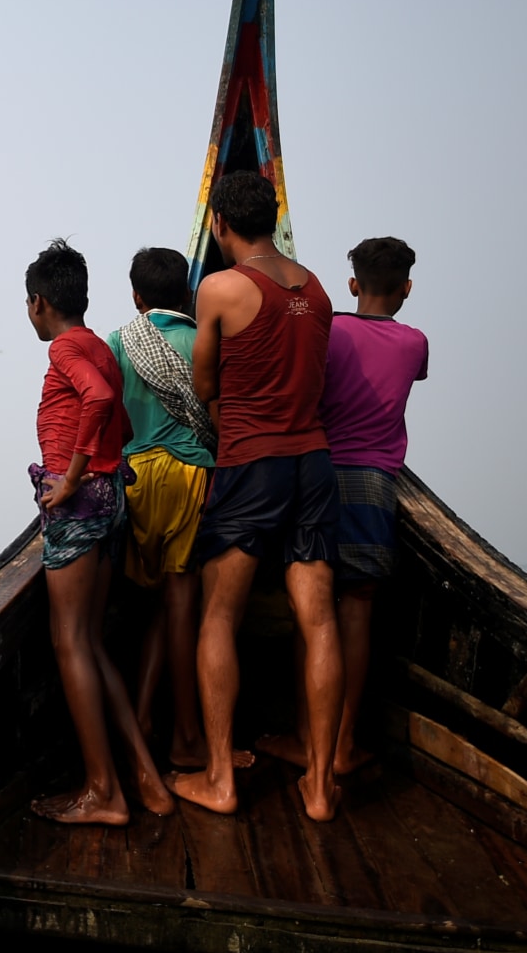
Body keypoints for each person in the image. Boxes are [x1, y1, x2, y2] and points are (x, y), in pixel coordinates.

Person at [167, 171, 340, 822]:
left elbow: (205, 382)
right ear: (273, 218)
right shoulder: (317, 289)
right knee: (318, 621)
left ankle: (219, 778)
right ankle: (321, 789)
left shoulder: (219, 287)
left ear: (220, 227)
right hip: (313, 464)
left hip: (250, 466)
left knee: (218, 617)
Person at [24, 238, 173, 825]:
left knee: (69, 643)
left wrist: (71, 479)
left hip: (80, 504)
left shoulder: (65, 348)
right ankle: (144, 777)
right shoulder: (99, 344)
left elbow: (101, 398)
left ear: (39, 302)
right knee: (90, 643)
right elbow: (125, 416)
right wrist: (104, 467)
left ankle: (102, 792)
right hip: (109, 503)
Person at [312, 237, 427, 775]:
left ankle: (308, 740)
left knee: (313, 615)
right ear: (406, 288)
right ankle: (342, 745)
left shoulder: (328, 331)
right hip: (374, 486)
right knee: (356, 610)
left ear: (352, 284)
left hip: (316, 475)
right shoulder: (415, 343)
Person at [106, 247, 217, 770]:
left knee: (152, 606)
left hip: (134, 478)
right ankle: (188, 737)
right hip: (188, 474)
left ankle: (146, 716)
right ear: (188, 295)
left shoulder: (117, 343)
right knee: (181, 606)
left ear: (136, 296)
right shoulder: (201, 340)